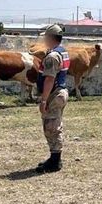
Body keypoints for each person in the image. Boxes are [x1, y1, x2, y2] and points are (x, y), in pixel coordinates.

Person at [34, 24, 70, 173]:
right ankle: (54, 158)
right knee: (55, 124)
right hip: (60, 91)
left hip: (54, 94)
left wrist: (44, 100)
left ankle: (55, 160)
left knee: (51, 126)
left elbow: (49, 78)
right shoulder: (62, 52)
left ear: (50, 37)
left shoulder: (52, 56)